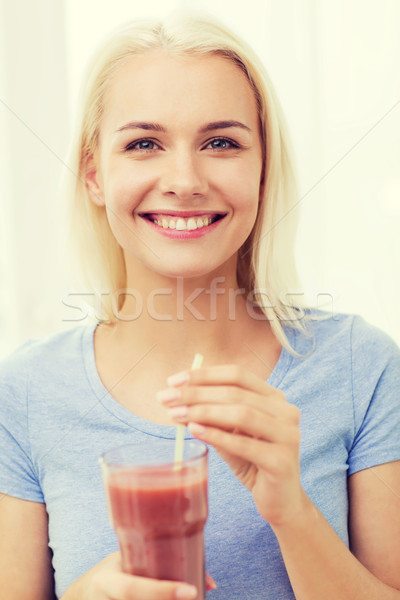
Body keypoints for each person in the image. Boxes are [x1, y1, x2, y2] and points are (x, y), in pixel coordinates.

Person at [1, 12, 400, 600]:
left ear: (262, 171)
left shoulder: (360, 366)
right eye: (143, 144)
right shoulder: (25, 392)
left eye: (221, 142)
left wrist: (291, 511)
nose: (184, 180)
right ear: (94, 174)